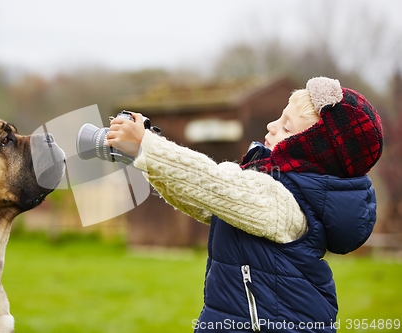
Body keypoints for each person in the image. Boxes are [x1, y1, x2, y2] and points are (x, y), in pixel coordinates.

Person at [106, 77, 383, 332]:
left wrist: (149, 145)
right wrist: (145, 156)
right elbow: (205, 201)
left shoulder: (283, 202)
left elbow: (214, 185)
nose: (271, 126)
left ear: (310, 151)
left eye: (286, 127)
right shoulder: (272, 184)